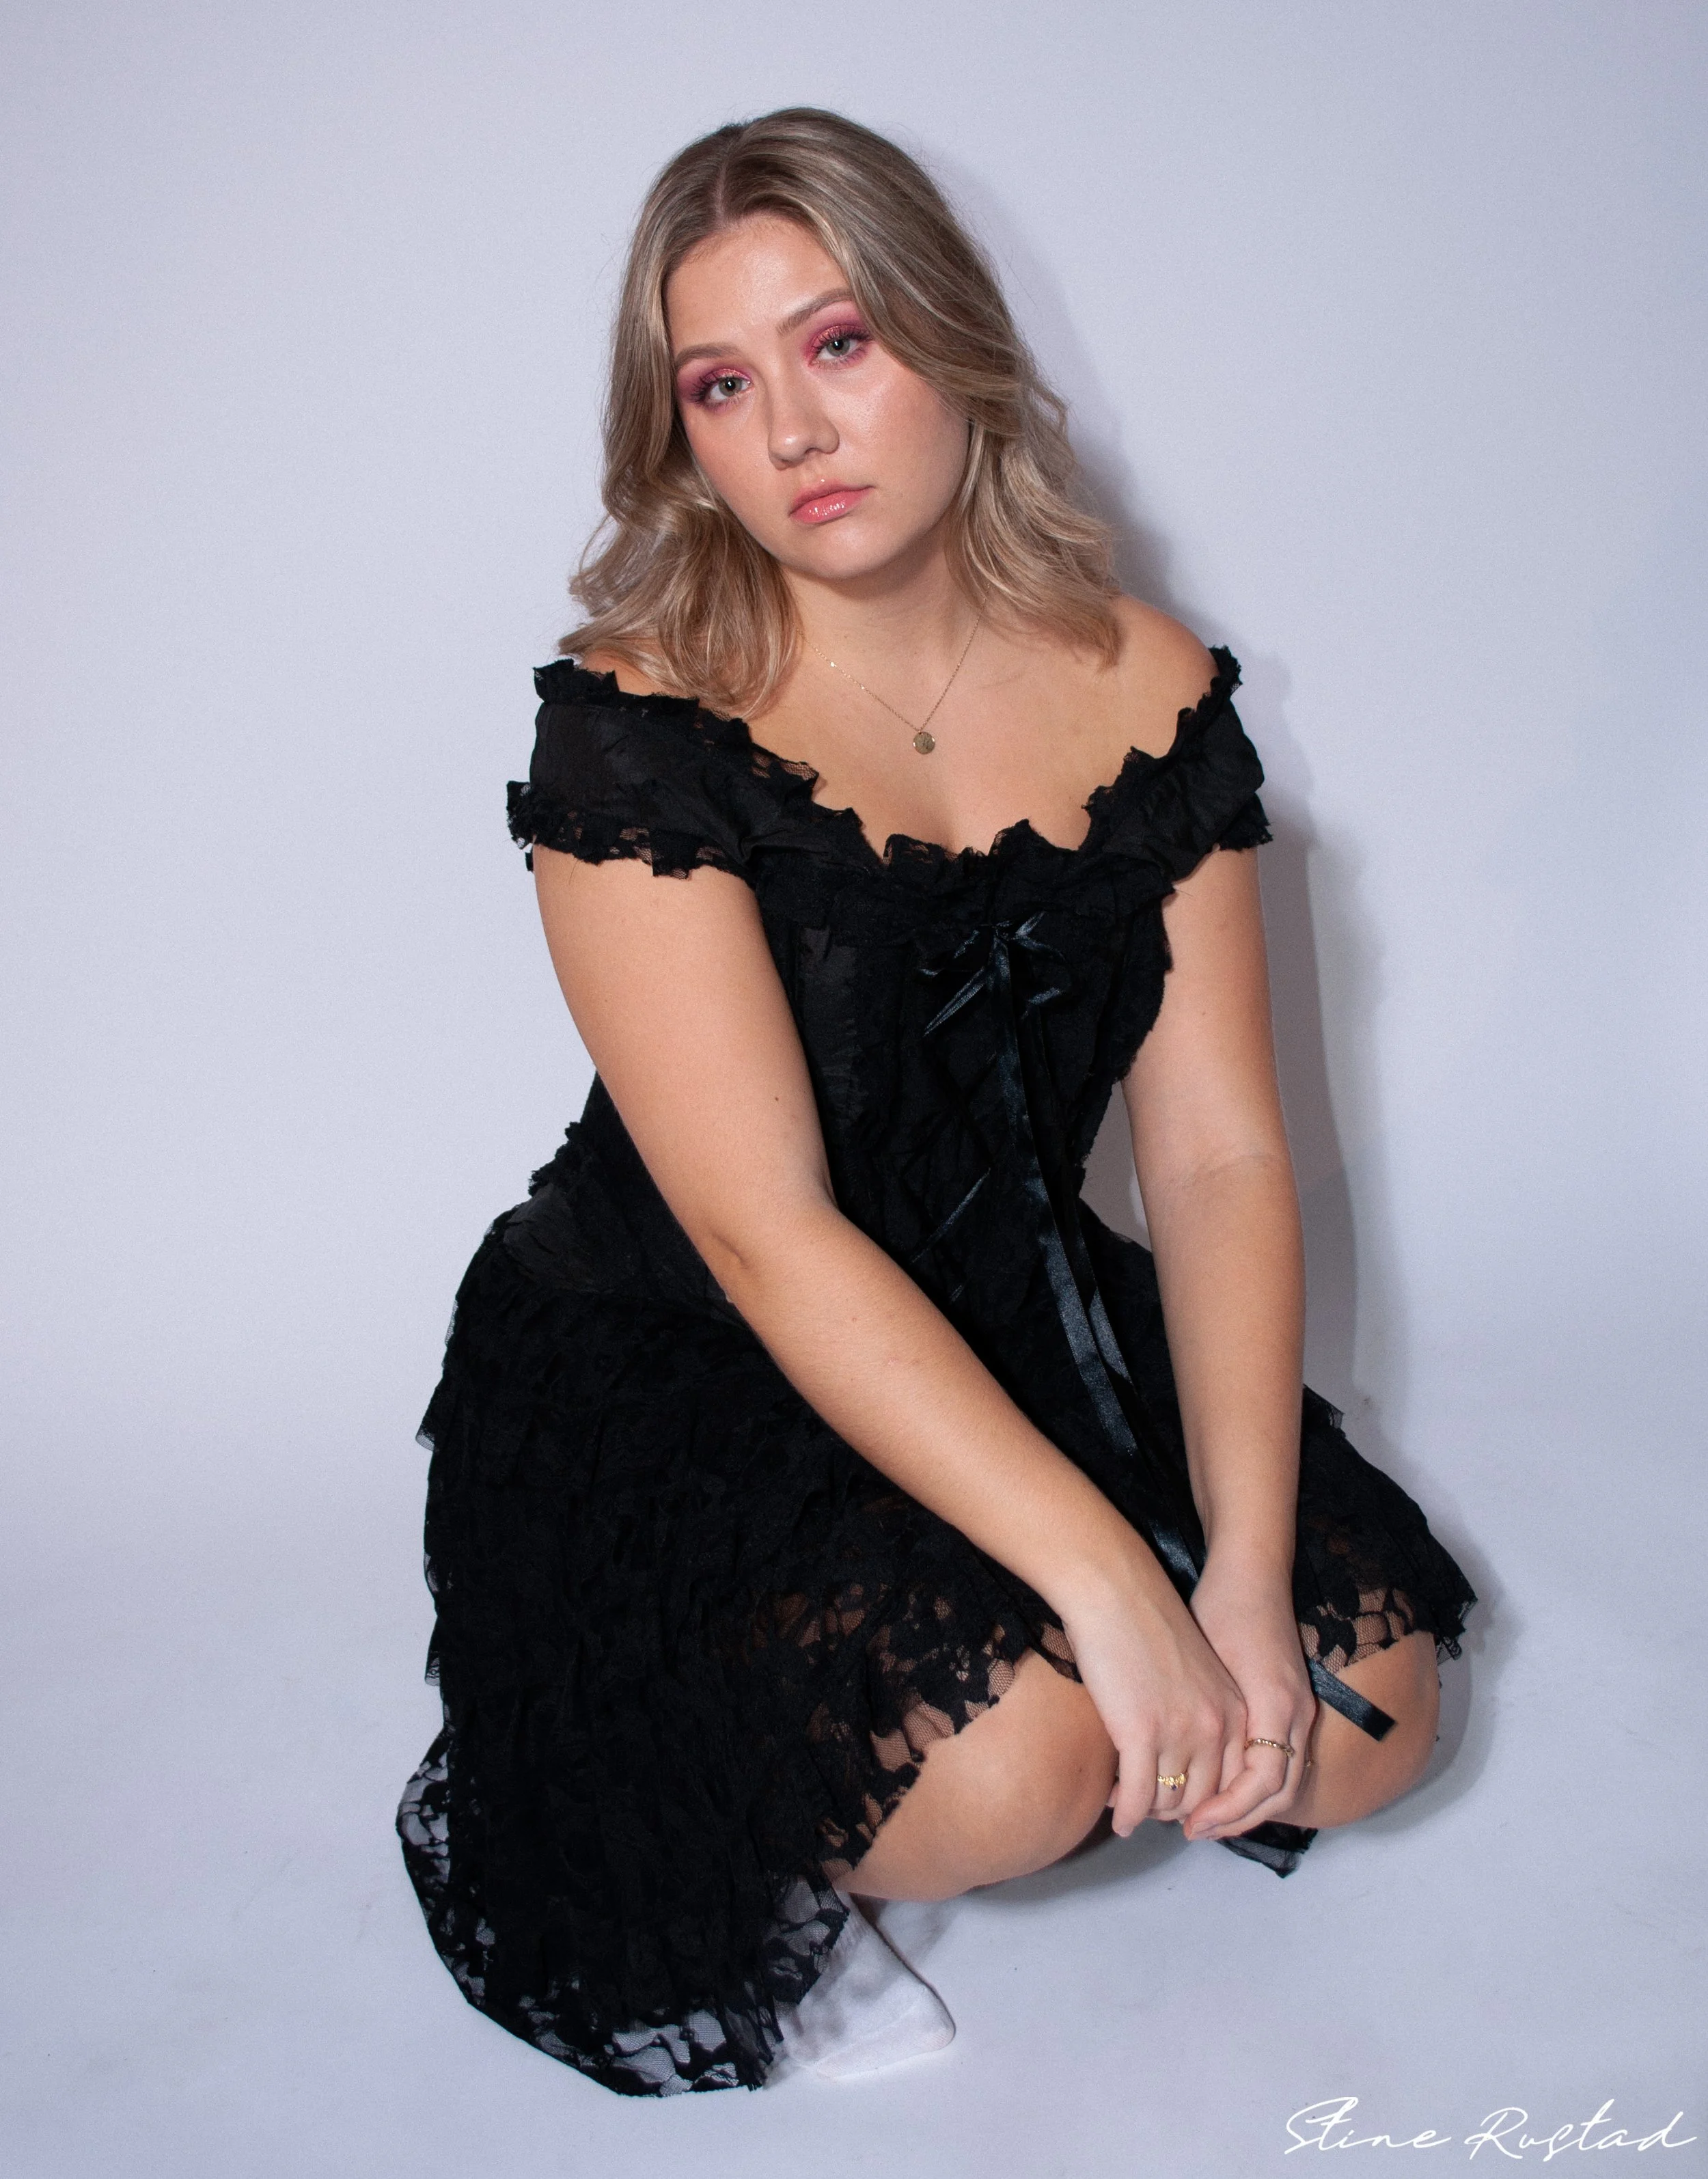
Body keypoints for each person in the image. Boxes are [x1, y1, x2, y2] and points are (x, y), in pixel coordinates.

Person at [397, 107, 1477, 2098]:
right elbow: (764, 1229)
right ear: (681, 438)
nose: (793, 429)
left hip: (1018, 1308)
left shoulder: (1145, 679)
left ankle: (1121, 1657)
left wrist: (1228, 1570)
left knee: (1367, 1713)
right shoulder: (636, 720)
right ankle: (759, 1803)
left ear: (948, 341)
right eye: (722, 384)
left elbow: (1221, 1151)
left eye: (839, 343)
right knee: (1024, 1761)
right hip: (688, 1350)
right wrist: (1099, 1588)